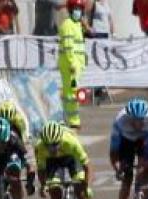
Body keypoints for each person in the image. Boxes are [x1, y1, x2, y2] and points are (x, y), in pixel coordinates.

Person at [35, 120, 95, 199]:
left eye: (55, 145)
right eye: (49, 146)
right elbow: (41, 169)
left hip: (71, 159)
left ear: (60, 140)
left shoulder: (71, 141)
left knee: (81, 191)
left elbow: (87, 166)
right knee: (55, 195)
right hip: (52, 163)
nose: (52, 149)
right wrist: (43, 185)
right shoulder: (40, 146)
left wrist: (86, 185)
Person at [57, 0, 88, 130]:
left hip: (76, 66)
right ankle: (73, 120)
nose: (78, 11)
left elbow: (78, 46)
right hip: (71, 66)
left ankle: (68, 118)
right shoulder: (68, 25)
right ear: (70, 10)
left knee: (71, 92)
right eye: (76, 8)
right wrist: (72, 63)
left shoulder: (77, 25)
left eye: (80, 9)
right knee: (72, 93)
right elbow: (68, 47)